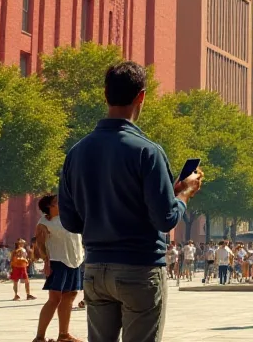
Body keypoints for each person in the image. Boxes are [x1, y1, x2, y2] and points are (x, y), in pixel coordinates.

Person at [59, 62, 204, 342]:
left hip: (95, 269)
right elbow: (165, 219)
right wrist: (183, 194)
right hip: (140, 267)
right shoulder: (148, 152)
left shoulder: (76, 153)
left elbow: (71, 221)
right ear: (142, 96)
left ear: (105, 95)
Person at [33, 195, 86, 342]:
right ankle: (39, 337)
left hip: (75, 261)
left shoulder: (70, 217)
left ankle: (64, 335)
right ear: (49, 206)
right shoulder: (45, 222)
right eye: (57, 202)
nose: (61, 203)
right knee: (54, 299)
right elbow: (40, 244)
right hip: (57, 261)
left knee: (70, 296)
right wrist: (46, 261)